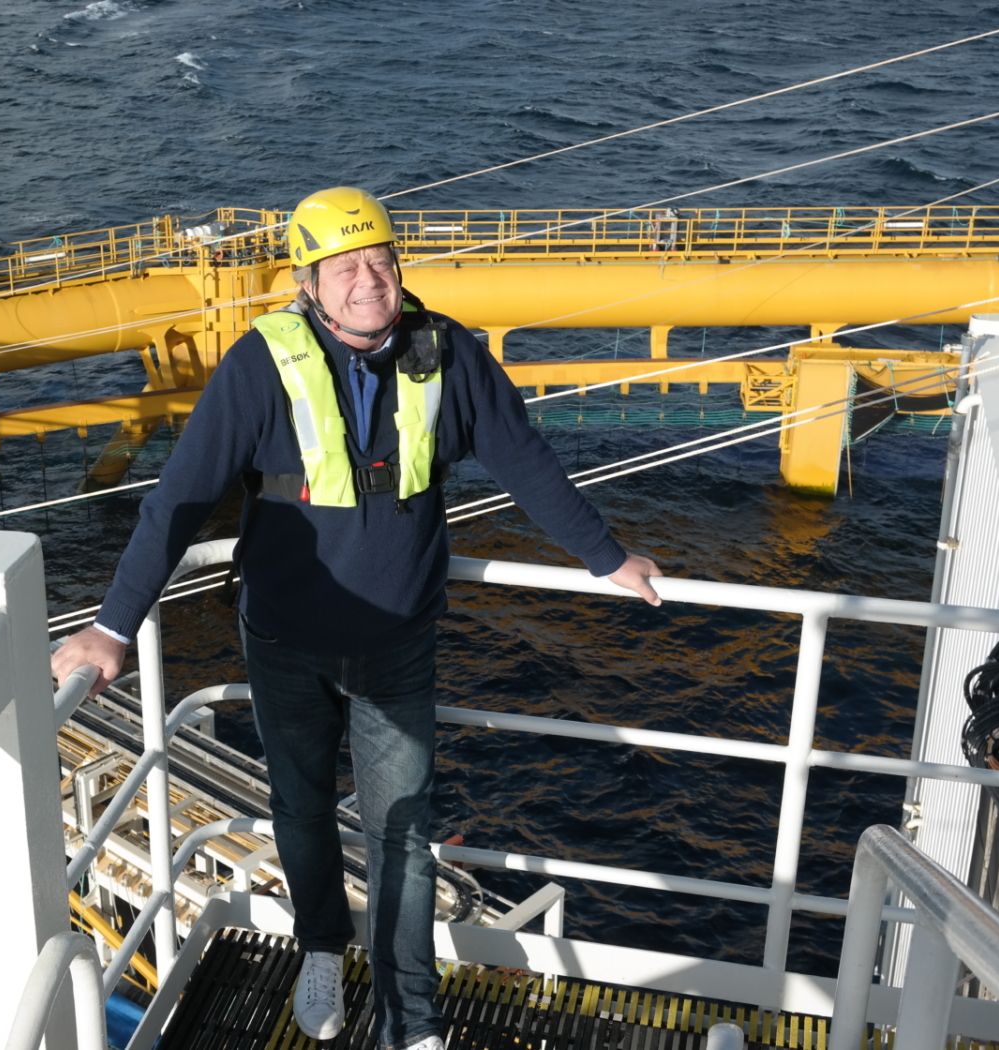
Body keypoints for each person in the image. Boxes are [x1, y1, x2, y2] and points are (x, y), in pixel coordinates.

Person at [50, 186, 663, 1050]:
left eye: (380, 261)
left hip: (395, 641)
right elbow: (179, 499)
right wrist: (114, 626)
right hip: (284, 639)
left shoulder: (446, 352)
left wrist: (604, 556)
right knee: (299, 808)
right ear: (308, 283)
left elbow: (522, 457)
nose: (368, 280)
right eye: (344, 267)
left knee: (403, 833)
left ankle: (410, 1023)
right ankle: (319, 947)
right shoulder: (260, 367)